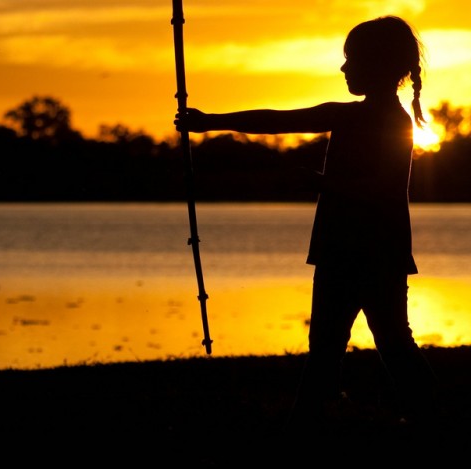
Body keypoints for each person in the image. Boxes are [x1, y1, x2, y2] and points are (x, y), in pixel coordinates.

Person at [174, 16, 437, 428]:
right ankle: (313, 416)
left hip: (373, 252)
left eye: (352, 60)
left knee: (390, 342)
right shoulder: (352, 115)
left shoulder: (392, 123)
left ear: (379, 64)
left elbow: (385, 190)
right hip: (343, 249)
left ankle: (428, 418)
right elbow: (278, 120)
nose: (344, 68)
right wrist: (210, 123)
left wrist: (321, 182)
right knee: (330, 344)